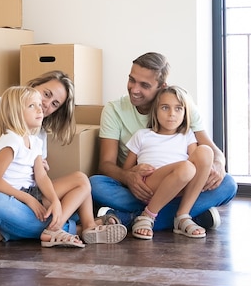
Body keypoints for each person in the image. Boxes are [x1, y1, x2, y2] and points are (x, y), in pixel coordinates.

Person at [0, 70, 126, 246]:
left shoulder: (37, 134)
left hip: (18, 196)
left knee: (76, 184)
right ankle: (77, 229)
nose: (46, 104)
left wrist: (51, 198)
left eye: (54, 104)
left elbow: (35, 180)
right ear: (34, 85)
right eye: (47, 94)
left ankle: (3, 233)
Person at [90, 52, 237, 231]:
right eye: (131, 80)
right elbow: (105, 164)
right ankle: (188, 216)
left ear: (161, 87)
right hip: (139, 189)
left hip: (182, 185)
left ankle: (127, 218)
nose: (134, 89)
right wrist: (128, 177)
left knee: (228, 185)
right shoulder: (115, 110)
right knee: (95, 184)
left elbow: (210, 151)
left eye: (144, 85)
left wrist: (219, 164)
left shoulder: (183, 106)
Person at [125, 85, 213, 239]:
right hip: (151, 184)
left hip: (181, 188)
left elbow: (197, 164)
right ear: (155, 111)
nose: (172, 114)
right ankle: (148, 215)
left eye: (178, 108)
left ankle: (182, 215)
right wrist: (135, 170)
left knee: (206, 152)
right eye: (165, 108)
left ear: (185, 113)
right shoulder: (143, 135)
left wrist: (208, 170)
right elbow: (125, 171)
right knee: (186, 167)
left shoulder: (187, 135)